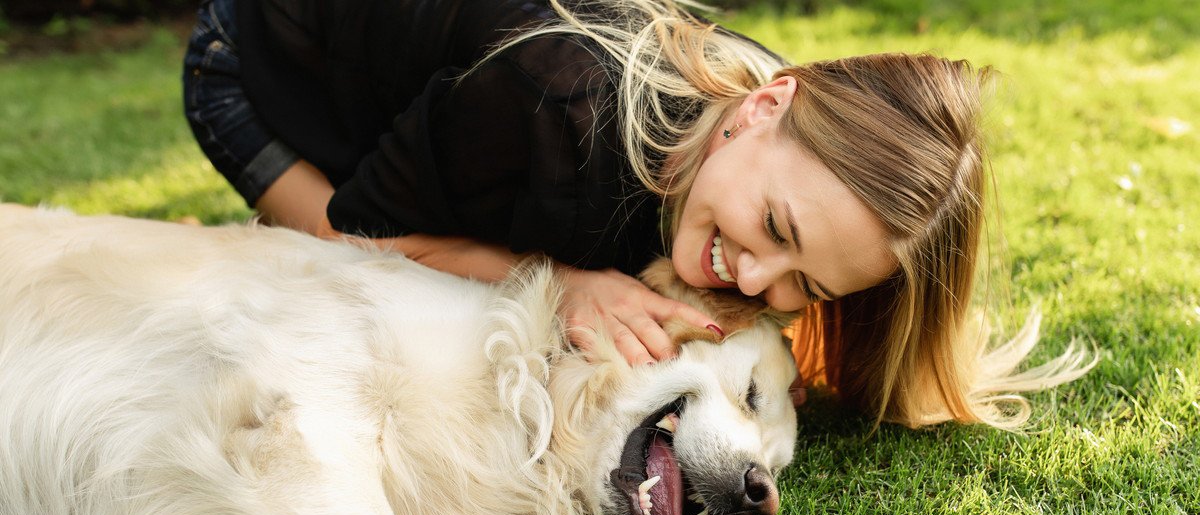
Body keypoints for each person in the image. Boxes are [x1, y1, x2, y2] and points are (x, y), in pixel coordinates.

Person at [183, 0, 1090, 430]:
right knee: (326, 274)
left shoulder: (764, 146)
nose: (757, 281)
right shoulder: (555, 99)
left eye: (805, 285)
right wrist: (558, 283)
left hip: (431, 113)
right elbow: (362, 241)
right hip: (261, 71)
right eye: (777, 230)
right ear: (764, 106)